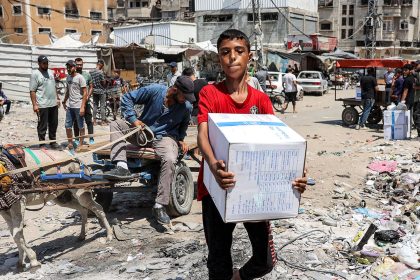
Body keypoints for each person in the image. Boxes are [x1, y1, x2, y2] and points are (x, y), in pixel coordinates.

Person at [197, 29, 308, 280]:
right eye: (225, 52)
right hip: (217, 189)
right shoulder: (209, 94)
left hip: (254, 193)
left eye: (238, 51)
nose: (232, 58)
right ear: (219, 59)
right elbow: (202, 136)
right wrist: (214, 166)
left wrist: (298, 173)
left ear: (250, 57)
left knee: (265, 261)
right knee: (218, 261)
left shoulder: (261, 101)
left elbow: (278, 145)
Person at [103, 76, 194, 224]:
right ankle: (122, 166)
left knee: (170, 158)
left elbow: (184, 123)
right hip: (142, 132)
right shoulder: (155, 91)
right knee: (116, 124)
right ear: (175, 90)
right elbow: (127, 98)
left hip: (165, 137)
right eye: (185, 96)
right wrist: (133, 120)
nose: (186, 100)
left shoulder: (186, 107)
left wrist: (181, 139)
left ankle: (159, 205)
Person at [29, 55, 60, 149]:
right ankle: (42, 143)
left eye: (46, 63)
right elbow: (32, 91)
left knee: (54, 123)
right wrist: (35, 105)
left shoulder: (51, 72)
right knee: (42, 125)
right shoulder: (35, 74)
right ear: (39, 63)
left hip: (53, 104)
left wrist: (57, 98)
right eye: (43, 63)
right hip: (42, 104)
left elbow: (54, 86)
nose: (46, 64)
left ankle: (52, 142)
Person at [62, 60, 88, 150]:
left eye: (70, 67)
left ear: (75, 67)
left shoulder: (80, 78)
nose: (69, 69)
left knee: (81, 126)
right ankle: (70, 143)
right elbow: (68, 91)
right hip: (70, 106)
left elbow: (85, 93)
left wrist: (82, 107)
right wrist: (64, 101)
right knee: (68, 126)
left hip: (78, 105)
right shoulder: (68, 78)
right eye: (67, 67)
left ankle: (80, 144)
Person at [73, 57, 94, 145]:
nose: (79, 66)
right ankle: (77, 139)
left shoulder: (87, 75)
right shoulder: (72, 75)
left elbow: (91, 86)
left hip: (86, 102)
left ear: (83, 64)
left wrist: (88, 96)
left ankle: (91, 138)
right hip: (76, 103)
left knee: (89, 121)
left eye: (80, 64)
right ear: (75, 64)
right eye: (77, 64)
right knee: (76, 122)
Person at [90, 59, 107, 126]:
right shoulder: (100, 72)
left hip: (94, 91)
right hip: (101, 91)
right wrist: (105, 80)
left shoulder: (91, 72)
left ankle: (94, 121)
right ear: (101, 65)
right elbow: (103, 82)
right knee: (102, 106)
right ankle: (103, 122)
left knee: (95, 106)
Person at [401, 64, 416, 134]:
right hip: (413, 98)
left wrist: (402, 101)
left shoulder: (407, 79)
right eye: (403, 70)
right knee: (410, 115)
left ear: (410, 71)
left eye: (405, 70)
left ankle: (407, 131)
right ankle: (409, 131)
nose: (404, 71)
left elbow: (405, 91)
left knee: (406, 116)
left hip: (408, 100)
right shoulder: (414, 78)